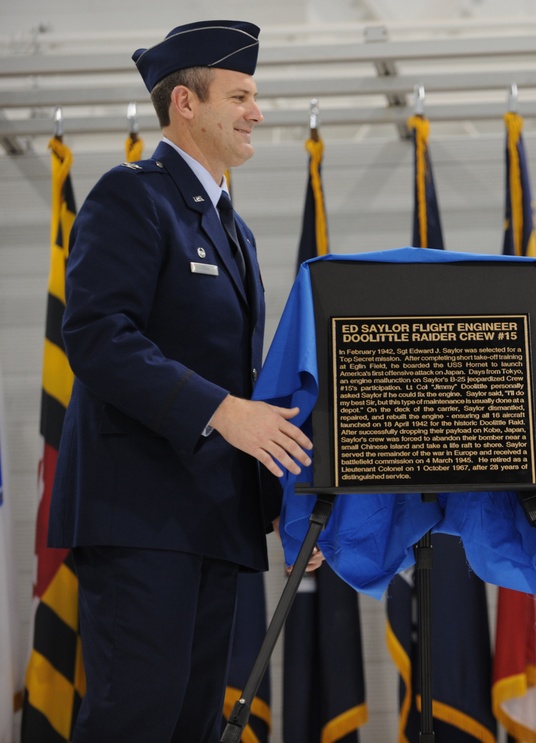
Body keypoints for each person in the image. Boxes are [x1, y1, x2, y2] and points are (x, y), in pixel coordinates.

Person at [48, 20, 319, 742]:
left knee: (195, 726)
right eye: (241, 95)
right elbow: (97, 337)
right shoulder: (130, 197)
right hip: (138, 518)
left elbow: (241, 385)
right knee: (136, 720)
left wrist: (284, 510)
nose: (256, 111)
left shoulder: (235, 230)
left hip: (209, 522)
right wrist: (221, 411)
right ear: (185, 106)